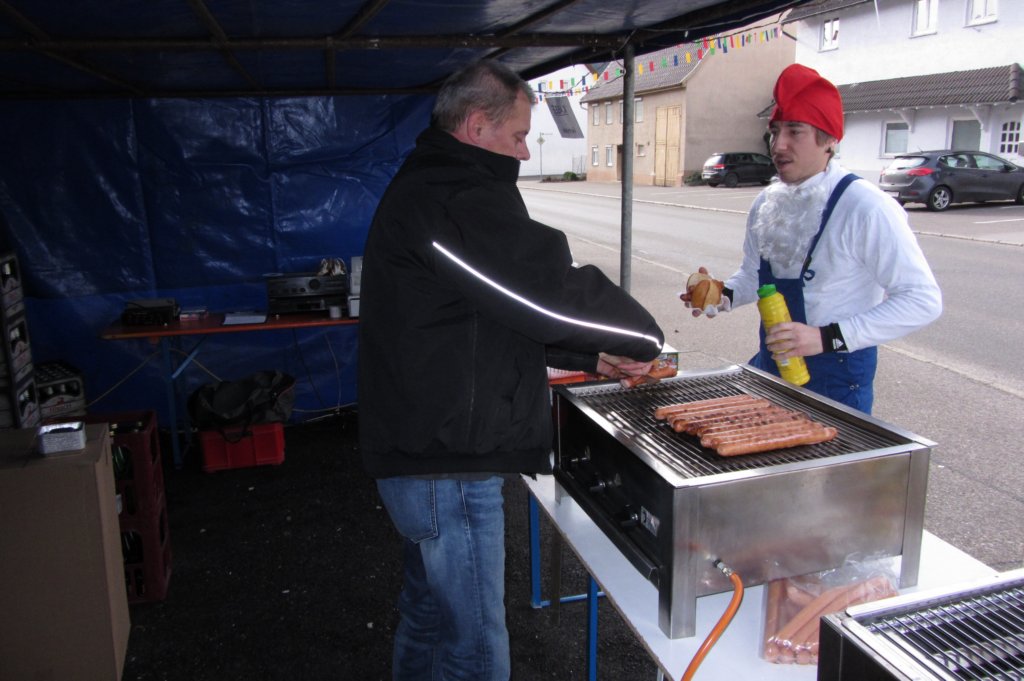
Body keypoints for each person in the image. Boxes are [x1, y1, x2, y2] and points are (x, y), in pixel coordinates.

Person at [357, 60, 665, 680]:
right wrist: (640, 337)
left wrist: (587, 356)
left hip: (424, 451)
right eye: (519, 136)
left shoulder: (439, 181)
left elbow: (481, 316)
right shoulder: (450, 195)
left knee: (428, 614)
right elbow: (540, 290)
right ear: (476, 125)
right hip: (446, 461)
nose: (525, 152)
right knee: (473, 646)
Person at [683, 64, 941, 413]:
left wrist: (826, 337)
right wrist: (722, 294)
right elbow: (754, 276)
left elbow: (922, 300)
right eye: (775, 131)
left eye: (795, 131)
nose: (779, 144)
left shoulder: (866, 207)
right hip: (772, 369)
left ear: (829, 140)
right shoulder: (767, 203)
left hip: (836, 384)